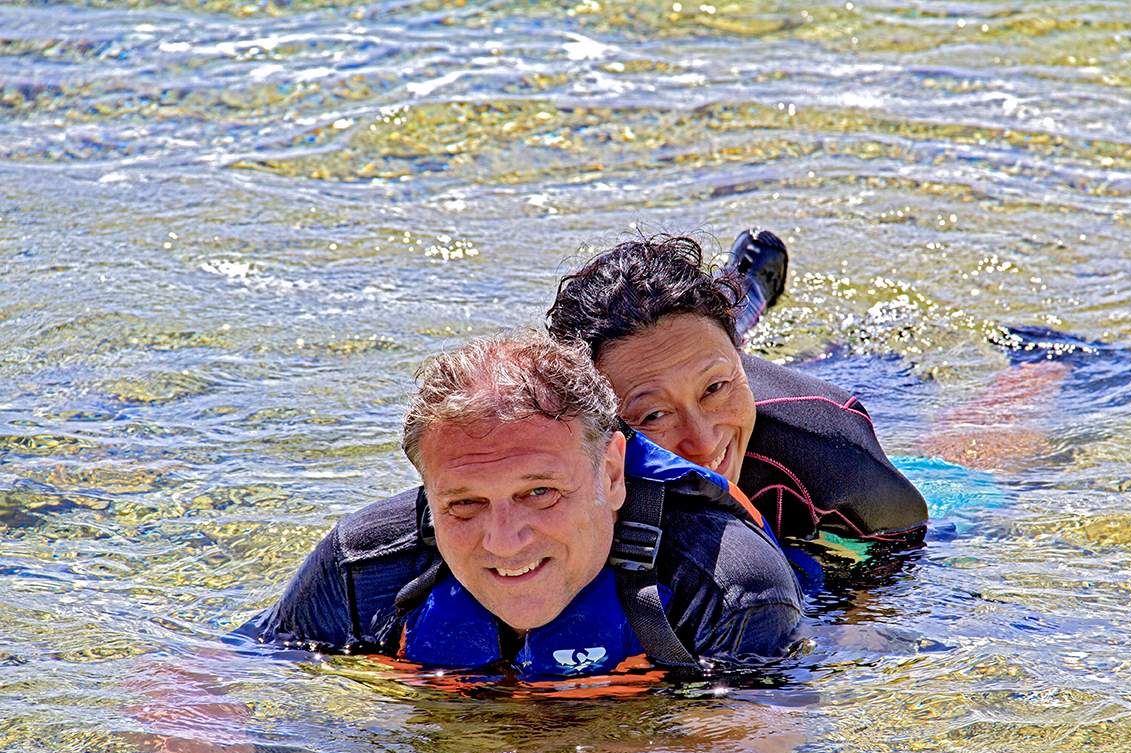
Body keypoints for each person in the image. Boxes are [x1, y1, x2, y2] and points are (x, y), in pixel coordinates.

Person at [234, 332, 804, 677]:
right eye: (464, 503)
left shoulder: (727, 587)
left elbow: (753, 748)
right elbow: (225, 670)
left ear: (611, 473)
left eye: (539, 493)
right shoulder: (362, 570)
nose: (505, 541)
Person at [546, 231, 930, 552]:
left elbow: (903, 561)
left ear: (739, 360)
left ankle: (748, 281)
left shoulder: (833, 457)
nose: (703, 443)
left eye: (715, 389)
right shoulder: (562, 455)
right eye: (654, 415)